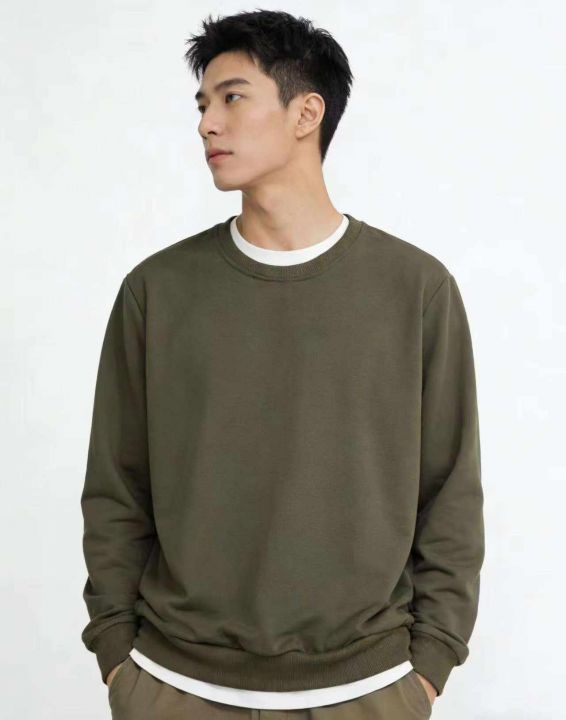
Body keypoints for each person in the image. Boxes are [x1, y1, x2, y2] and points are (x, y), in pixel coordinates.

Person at [80, 9, 485, 719]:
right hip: (174, 688)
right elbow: (117, 488)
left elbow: (449, 490)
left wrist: (428, 668)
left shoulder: (415, 290)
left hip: (366, 692)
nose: (207, 124)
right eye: (202, 105)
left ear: (307, 113)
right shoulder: (157, 291)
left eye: (232, 97)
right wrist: (118, 655)